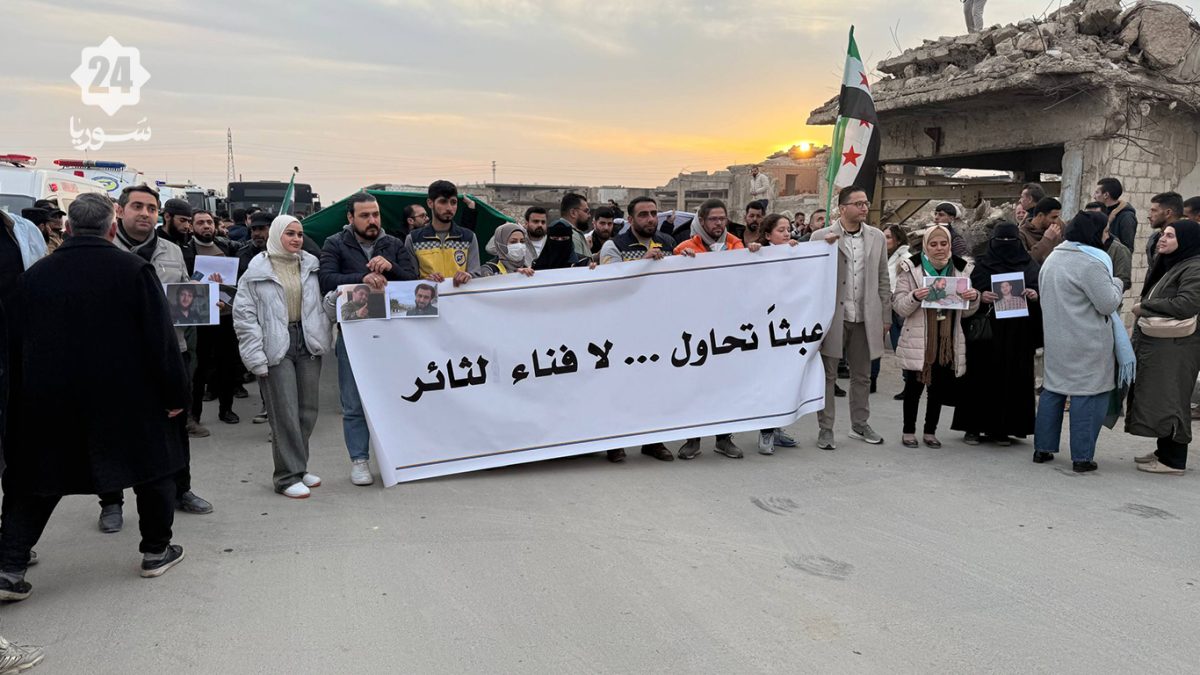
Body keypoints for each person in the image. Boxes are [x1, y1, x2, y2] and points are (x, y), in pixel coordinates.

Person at [0, 193, 191, 603]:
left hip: (50, 401)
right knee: (155, 470)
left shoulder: (34, 277)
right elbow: (160, 341)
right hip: (129, 398)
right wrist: (176, 393)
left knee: (37, 480)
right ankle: (156, 551)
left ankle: (9, 567)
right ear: (111, 227)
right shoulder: (134, 270)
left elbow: (12, 346)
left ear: (68, 228)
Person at [106, 184, 211, 531]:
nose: (145, 214)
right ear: (120, 210)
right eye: (137, 206)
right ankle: (111, 502)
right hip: (119, 359)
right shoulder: (106, 248)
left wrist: (205, 301)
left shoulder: (172, 250)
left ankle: (182, 489)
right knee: (114, 430)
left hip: (170, 352)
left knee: (175, 428)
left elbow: (185, 293)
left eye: (151, 208)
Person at [321, 192, 417, 486]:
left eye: (375, 214)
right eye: (365, 216)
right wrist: (361, 278)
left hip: (393, 336)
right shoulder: (335, 243)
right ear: (350, 218)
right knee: (353, 403)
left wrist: (392, 268)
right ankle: (359, 460)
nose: (372, 220)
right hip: (353, 337)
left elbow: (414, 282)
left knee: (398, 397)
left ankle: (398, 456)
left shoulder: (394, 244)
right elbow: (326, 279)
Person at [234, 215, 333, 498]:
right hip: (277, 343)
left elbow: (322, 306)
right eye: (290, 233)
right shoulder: (256, 271)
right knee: (285, 412)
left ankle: (299, 467)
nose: (296, 239)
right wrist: (255, 357)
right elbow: (244, 318)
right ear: (277, 235)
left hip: (307, 341)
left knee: (308, 410)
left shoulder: (312, 266)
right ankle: (286, 476)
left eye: (300, 234)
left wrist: (339, 300)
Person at [1033, 211, 1128, 473]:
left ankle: (1043, 448)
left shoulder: (1054, 257)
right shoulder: (1090, 263)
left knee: (1053, 390)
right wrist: (1117, 283)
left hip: (1057, 338)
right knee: (1088, 394)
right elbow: (1107, 303)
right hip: (1087, 341)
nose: (1107, 236)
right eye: (1105, 231)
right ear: (1092, 233)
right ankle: (1082, 457)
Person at [808, 187, 890, 450]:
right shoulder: (821, 236)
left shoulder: (877, 237)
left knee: (862, 375)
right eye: (858, 203)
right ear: (842, 208)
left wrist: (885, 316)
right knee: (828, 375)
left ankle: (860, 424)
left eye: (866, 203)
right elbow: (811, 278)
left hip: (865, 316)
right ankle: (826, 428)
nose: (864, 207)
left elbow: (883, 278)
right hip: (833, 317)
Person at [672, 199, 754, 460]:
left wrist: (757, 254)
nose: (719, 224)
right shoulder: (684, 248)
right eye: (713, 219)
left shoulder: (736, 245)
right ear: (702, 221)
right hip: (696, 329)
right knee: (696, 385)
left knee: (725, 385)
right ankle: (693, 439)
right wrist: (681, 262)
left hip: (728, 329)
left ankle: (723, 438)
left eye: (722, 218)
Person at [597, 196, 676, 463]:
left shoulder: (667, 243)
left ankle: (652, 441)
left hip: (657, 327)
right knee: (619, 387)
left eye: (653, 213)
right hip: (622, 328)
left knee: (654, 387)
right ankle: (615, 442)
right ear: (630, 219)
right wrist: (642, 261)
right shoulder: (614, 245)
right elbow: (609, 281)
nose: (650, 219)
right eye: (643, 214)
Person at [950, 222, 1041, 445]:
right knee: (979, 379)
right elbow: (968, 292)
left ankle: (1003, 429)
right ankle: (972, 427)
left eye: (1011, 241)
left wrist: (1034, 295)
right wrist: (981, 296)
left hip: (1017, 335)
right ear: (993, 242)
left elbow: (1040, 290)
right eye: (1002, 241)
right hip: (986, 334)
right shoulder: (981, 265)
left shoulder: (1030, 265)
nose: (1006, 245)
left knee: (1011, 380)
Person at [892, 225, 979, 448]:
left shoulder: (961, 268)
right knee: (913, 389)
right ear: (925, 246)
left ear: (950, 245)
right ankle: (908, 431)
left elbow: (966, 312)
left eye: (943, 243)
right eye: (933, 244)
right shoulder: (911, 268)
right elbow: (900, 307)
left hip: (946, 339)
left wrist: (973, 298)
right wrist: (914, 296)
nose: (939, 248)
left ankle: (930, 431)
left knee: (937, 389)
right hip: (918, 338)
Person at [1127, 220, 1200, 475]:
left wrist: (1146, 307)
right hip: (1165, 344)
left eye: (1170, 235)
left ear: (1186, 240)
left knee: (1173, 399)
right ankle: (1163, 451)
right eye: (1163, 234)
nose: (1163, 239)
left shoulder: (1195, 267)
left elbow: (1186, 304)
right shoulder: (1177, 263)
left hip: (1179, 346)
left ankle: (1174, 460)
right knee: (1161, 397)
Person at [746, 214, 801, 455]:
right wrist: (753, 252)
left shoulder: (795, 253)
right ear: (768, 235)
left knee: (783, 381)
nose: (787, 234)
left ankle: (776, 428)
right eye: (781, 230)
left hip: (788, 330)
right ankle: (765, 432)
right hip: (763, 331)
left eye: (789, 229)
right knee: (767, 381)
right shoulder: (758, 255)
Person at [190, 210, 242, 425]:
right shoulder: (186, 251)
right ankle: (194, 414)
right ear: (192, 226)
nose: (206, 226)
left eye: (209, 222)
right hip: (200, 317)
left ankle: (226, 409)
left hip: (226, 315)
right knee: (200, 366)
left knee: (227, 364)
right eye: (201, 222)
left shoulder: (227, 247)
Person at [405, 181, 480, 284]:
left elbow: (476, 275)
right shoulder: (413, 239)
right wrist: (426, 281)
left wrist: (468, 276)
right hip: (429, 294)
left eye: (453, 202)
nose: (449, 208)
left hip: (460, 294)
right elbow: (410, 280)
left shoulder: (469, 237)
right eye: (443, 202)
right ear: (430, 203)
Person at [883, 224, 910, 399]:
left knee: (902, 347)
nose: (884, 240)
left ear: (898, 240)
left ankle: (909, 384)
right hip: (884, 306)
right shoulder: (884, 256)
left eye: (888, 237)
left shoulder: (906, 259)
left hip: (898, 308)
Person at [1094, 177, 1137, 252]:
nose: (1094, 196)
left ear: (1106, 195)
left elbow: (1127, 250)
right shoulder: (1102, 212)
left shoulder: (1126, 217)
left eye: (1097, 192)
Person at [1017, 197, 1063, 264]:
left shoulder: (1055, 232)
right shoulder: (1021, 234)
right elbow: (1025, 260)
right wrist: (1046, 240)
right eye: (1053, 217)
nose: (1056, 221)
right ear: (1040, 216)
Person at [1145, 192, 1183, 268]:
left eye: (1154, 210)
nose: (1149, 216)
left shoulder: (1185, 241)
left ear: (1168, 213)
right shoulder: (1154, 238)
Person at [553, 192, 592, 259]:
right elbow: (578, 264)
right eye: (586, 211)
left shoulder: (556, 230)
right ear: (573, 213)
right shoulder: (571, 236)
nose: (589, 216)